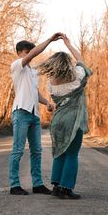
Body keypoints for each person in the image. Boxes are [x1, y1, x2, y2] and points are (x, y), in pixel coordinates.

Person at [36, 34, 93, 199]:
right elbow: (81, 60)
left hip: (58, 120)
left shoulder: (51, 83)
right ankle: (66, 188)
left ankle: (56, 186)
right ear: (68, 64)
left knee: (59, 152)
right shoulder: (78, 77)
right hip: (73, 120)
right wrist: (68, 44)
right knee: (72, 154)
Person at [9, 32, 63, 195]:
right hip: (21, 112)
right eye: (27, 52)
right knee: (18, 150)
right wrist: (49, 40)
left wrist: (47, 102)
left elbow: (35, 93)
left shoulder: (32, 73)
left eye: (29, 52)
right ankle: (14, 185)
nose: (29, 55)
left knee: (37, 151)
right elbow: (35, 53)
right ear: (20, 53)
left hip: (34, 115)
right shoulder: (17, 65)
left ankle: (37, 184)